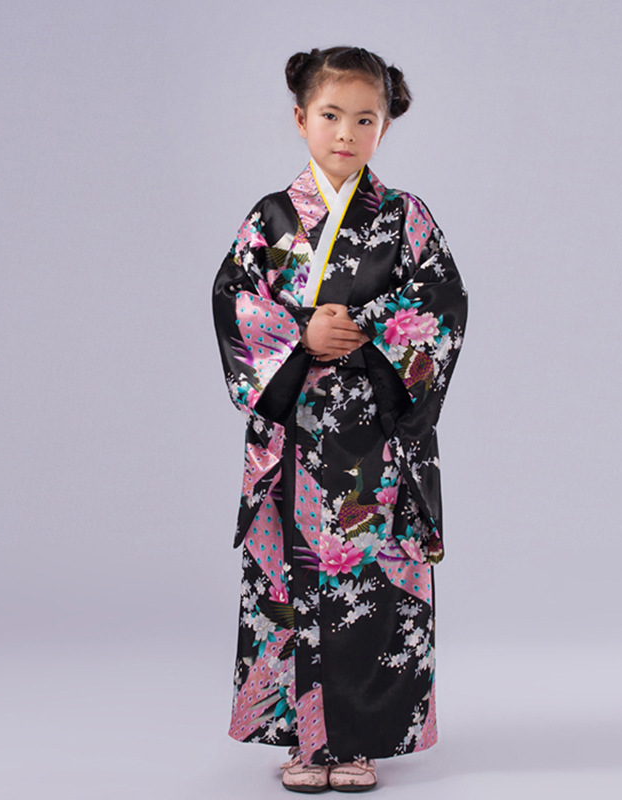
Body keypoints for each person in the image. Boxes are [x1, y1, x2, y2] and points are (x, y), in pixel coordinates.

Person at [213, 46, 467, 793]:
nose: (346, 132)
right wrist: (300, 334)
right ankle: (305, 741)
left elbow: (442, 303)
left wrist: (360, 327)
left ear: (385, 127)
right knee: (289, 580)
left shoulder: (405, 217)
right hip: (294, 435)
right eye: (331, 115)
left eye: (365, 119)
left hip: (372, 439)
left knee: (372, 583)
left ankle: (357, 743)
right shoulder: (271, 217)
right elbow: (235, 300)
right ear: (301, 119)